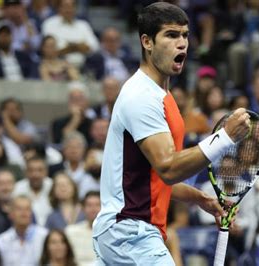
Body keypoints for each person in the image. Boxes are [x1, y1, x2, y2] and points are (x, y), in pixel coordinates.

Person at [93, 3, 250, 265]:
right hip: (130, 232)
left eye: (185, 35)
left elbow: (154, 178)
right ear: (147, 42)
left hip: (123, 233)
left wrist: (200, 198)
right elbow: (168, 168)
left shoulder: (160, 96)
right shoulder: (141, 97)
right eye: (171, 35)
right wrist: (224, 138)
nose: (182, 44)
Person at [42, 0, 99, 68]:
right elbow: (49, 49)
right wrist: (78, 47)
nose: (69, 9)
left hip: (84, 65)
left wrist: (70, 48)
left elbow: (95, 46)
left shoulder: (83, 25)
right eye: (66, 6)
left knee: (98, 58)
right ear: (59, 8)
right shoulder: (49, 24)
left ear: (76, 8)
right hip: (58, 65)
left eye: (72, 6)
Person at [0, 196, 48, 266]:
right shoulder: (1, 241)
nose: (24, 213)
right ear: (11, 214)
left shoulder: (44, 236)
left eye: (27, 209)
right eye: (19, 209)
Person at [12, 156, 53, 226]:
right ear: (25, 172)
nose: (35, 174)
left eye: (40, 170)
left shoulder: (53, 186)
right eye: (31, 170)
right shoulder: (17, 188)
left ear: (46, 172)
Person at [65, 191, 100, 266]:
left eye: (97, 205)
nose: (93, 209)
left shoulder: (111, 234)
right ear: (83, 208)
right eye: (89, 205)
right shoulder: (70, 231)